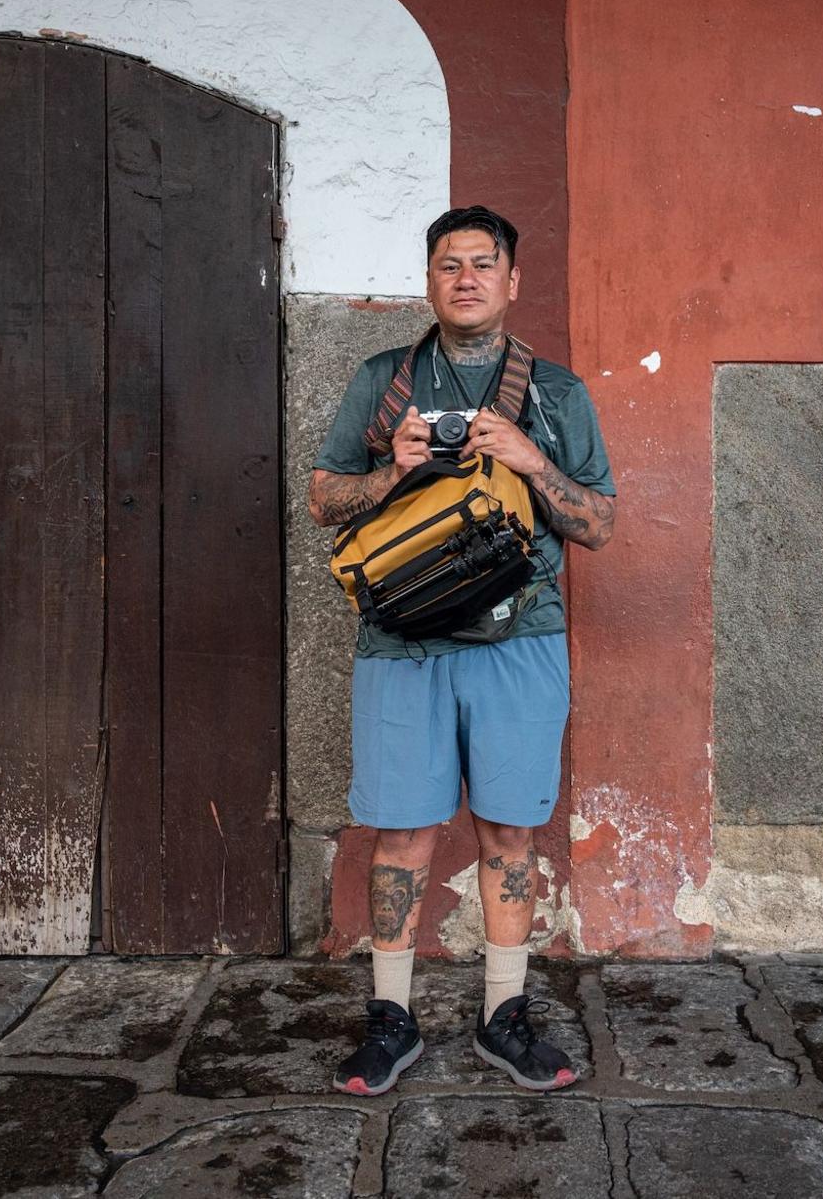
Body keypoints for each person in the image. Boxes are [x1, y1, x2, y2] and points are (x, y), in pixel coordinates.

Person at [308, 205, 616, 1095]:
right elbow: (324, 500)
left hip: (520, 639)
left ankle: (502, 1016)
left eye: (485, 263)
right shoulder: (383, 382)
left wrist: (529, 459)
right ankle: (392, 1019)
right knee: (402, 830)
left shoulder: (556, 393)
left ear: (513, 282)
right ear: (430, 280)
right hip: (401, 642)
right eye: (450, 265)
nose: (468, 277)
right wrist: (390, 470)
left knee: (510, 829)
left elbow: (599, 524)